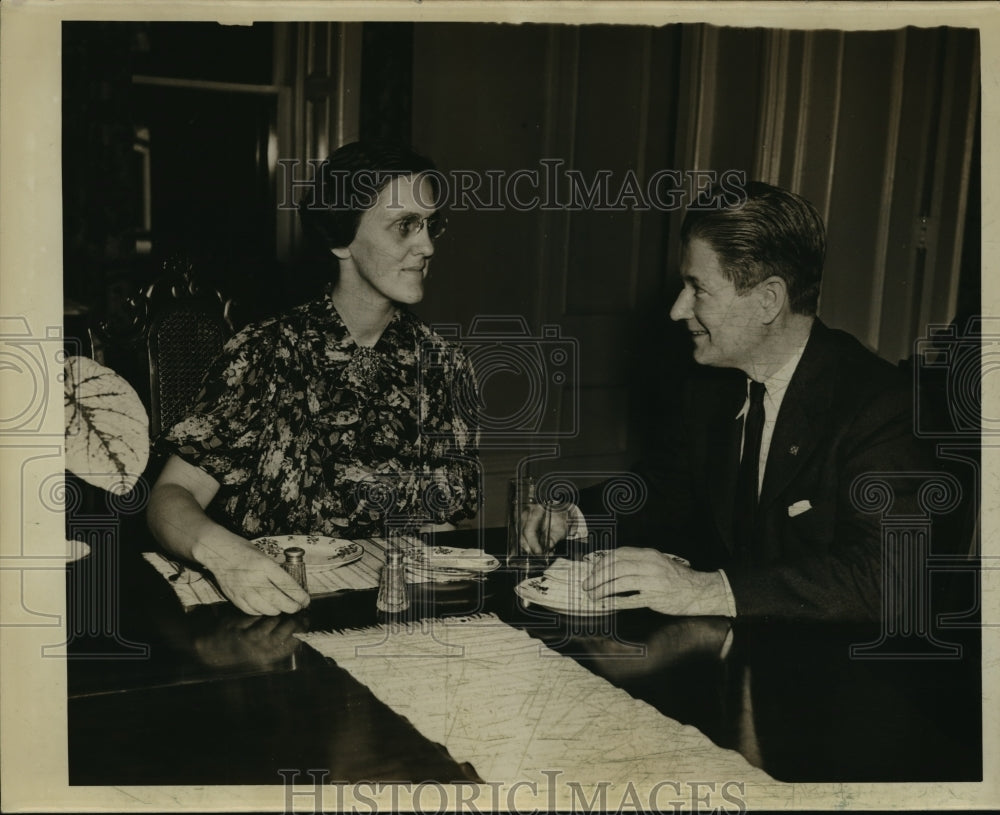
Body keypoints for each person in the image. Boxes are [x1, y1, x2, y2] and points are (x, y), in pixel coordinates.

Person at [523, 182, 933, 621]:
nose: (677, 310)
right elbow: (668, 492)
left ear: (767, 301)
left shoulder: (881, 406)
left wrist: (706, 590)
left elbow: (887, 578)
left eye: (697, 288)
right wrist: (576, 515)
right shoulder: (711, 387)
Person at [147, 142, 480, 616]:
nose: (427, 246)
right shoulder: (265, 352)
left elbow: (440, 526)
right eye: (405, 225)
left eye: (431, 224)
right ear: (341, 240)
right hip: (276, 616)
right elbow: (168, 497)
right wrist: (225, 555)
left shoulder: (444, 366)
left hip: (396, 617)